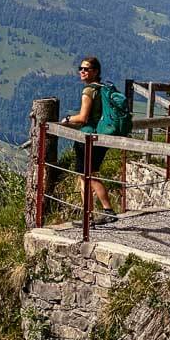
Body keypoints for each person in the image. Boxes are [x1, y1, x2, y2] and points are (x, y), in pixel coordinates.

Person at [60, 56, 117, 223]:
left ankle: (100, 213)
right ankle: (96, 214)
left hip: (87, 136)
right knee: (90, 175)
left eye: (86, 69)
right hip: (102, 135)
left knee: (86, 177)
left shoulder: (89, 91)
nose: (82, 71)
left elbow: (83, 117)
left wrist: (68, 118)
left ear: (96, 72)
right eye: (81, 68)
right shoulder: (103, 88)